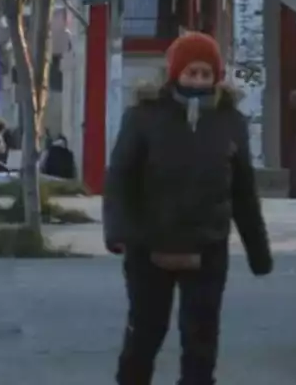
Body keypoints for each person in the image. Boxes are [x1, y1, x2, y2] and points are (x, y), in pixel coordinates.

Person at [103, 32, 273, 385]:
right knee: (145, 333)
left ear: (216, 77)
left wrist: (259, 253)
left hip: (207, 246)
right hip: (149, 246)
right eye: (191, 72)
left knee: (201, 339)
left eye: (205, 74)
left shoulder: (231, 123)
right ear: (175, 73)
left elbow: (243, 192)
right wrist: (119, 233)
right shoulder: (144, 117)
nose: (198, 81)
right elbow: (120, 177)